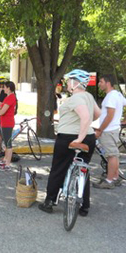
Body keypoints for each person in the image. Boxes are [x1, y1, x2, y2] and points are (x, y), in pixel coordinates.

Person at [39, 69, 101, 216]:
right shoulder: (89, 97)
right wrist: (84, 129)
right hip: (89, 138)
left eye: (68, 81)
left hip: (69, 137)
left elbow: (86, 117)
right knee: (83, 169)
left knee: (58, 168)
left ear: (75, 83)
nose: (66, 83)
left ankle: (49, 202)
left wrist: (79, 138)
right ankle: (84, 206)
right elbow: (97, 114)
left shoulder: (76, 98)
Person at [93, 74, 126, 189]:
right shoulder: (117, 94)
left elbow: (110, 115)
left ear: (108, 83)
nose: (99, 84)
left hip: (108, 130)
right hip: (113, 129)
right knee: (114, 155)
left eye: (101, 82)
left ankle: (109, 180)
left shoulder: (111, 96)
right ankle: (115, 178)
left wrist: (100, 130)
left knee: (111, 156)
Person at [0, 81, 17, 171]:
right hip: (4, 123)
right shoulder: (8, 97)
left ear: (8, 88)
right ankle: (5, 160)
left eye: (4, 87)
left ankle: (7, 164)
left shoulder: (11, 97)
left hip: (7, 123)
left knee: (8, 144)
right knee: (6, 143)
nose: (3, 88)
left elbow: (2, 111)